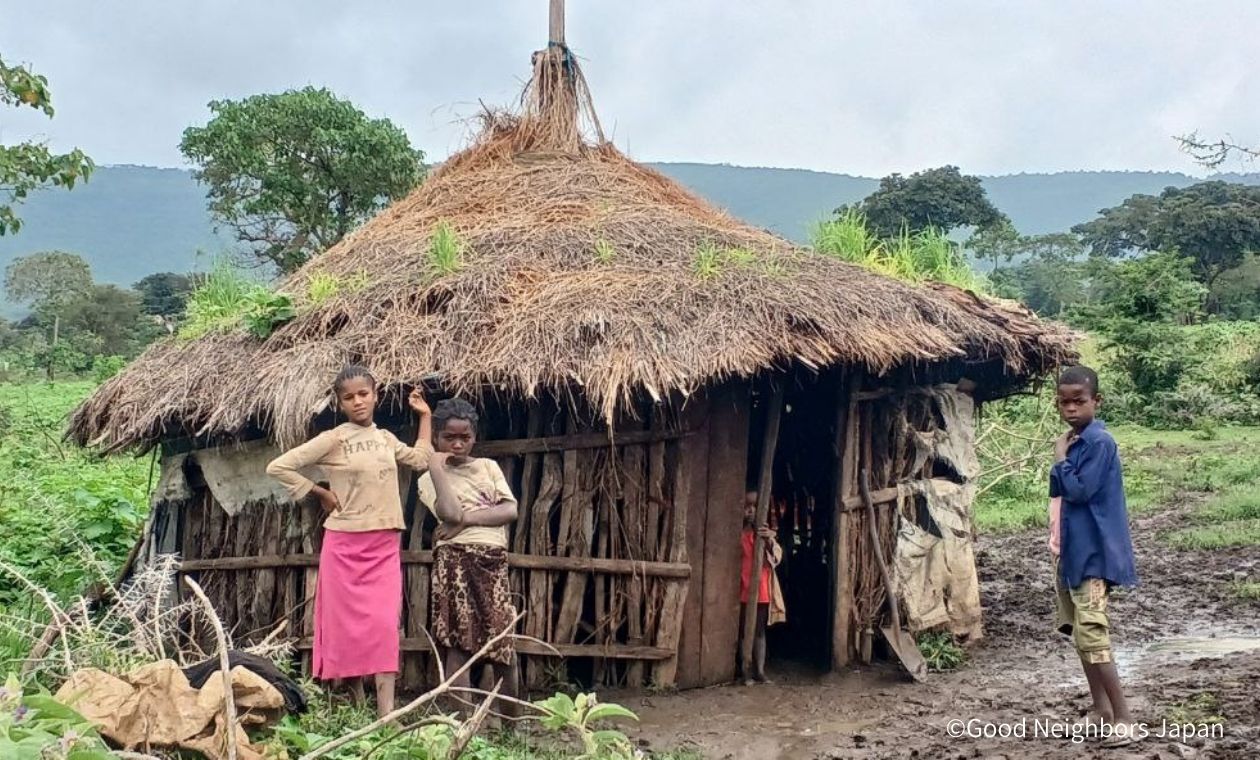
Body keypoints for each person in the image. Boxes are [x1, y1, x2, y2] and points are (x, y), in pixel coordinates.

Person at [265, 365, 433, 717]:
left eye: (363, 394)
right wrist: (318, 491)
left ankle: (386, 715)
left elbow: (419, 460)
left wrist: (425, 416)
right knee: (348, 629)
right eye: (349, 397)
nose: (358, 402)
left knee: (385, 624)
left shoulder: (386, 438)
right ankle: (356, 703)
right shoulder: (334, 439)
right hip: (343, 545)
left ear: (375, 395)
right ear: (340, 403)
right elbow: (278, 467)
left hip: (384, 541)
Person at [1050, 365, 1140, 747]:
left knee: (1093, 634)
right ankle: (1101, 711)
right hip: (1073, 553)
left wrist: (1059, 457)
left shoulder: (1099, 443)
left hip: (1095, 556)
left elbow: (1079, 490)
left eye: (1079, 401)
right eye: (1064, 402)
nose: (1071, 408)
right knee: (1082, 637)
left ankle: (1124, 718)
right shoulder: (1077, 441)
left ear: (1096, 401)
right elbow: (1060, 490)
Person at [419, 398, 520, 713]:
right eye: (450, 437)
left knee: (503, 647)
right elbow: (448, 511)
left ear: (475, 436)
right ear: (436, 437)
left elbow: (510, 510)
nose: (458, 444)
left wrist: (466, 518)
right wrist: (435, 465)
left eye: (465, 437)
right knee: (459, 645)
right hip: (455, 561)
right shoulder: (428, 478)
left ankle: (511, 729)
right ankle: (463, 726)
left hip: (492, 561)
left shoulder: (488, 467)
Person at [737, 490, 785, 686]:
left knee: (759, 632)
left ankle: (760, 671)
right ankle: (745, 671)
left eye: (755, 507)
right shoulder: (738, 534)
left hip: (761, 590)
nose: (751, 510)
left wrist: (767, 540)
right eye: (747, 506)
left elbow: (776, 558)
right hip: (740, 589)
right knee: (742, 632)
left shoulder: (766, 537)